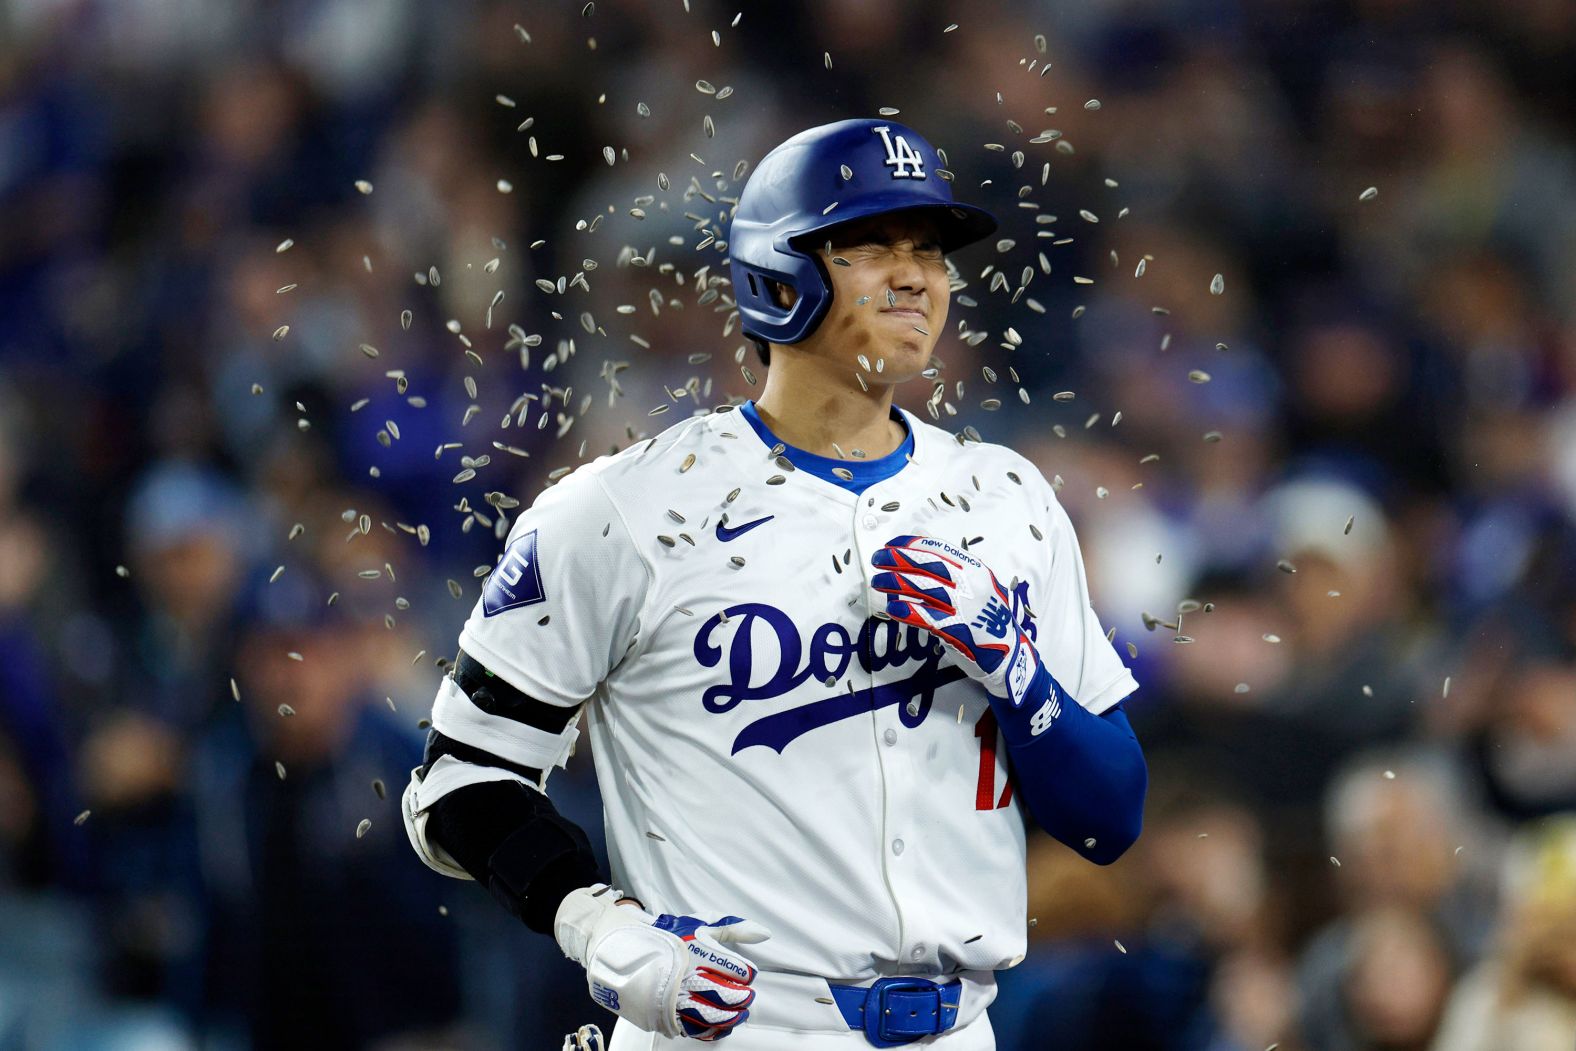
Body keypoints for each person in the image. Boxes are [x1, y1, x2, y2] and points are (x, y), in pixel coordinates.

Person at [401, 118, 1149, 1049]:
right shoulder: (625, 509)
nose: (916, 275)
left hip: (961, 1029)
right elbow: (459, 779)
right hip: (735, 1028)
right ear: (778, 272)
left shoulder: (1007, 497)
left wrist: (1014, 664)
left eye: (931, 251)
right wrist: (598, 922)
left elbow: (1111, 816)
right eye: (873, 245)